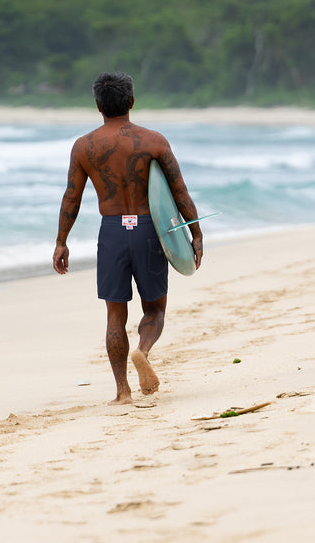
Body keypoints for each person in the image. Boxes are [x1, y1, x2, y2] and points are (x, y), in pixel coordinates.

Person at [53, 72, 203, 404]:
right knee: (155, 309)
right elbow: (179, 192)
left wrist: (62, 241)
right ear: (132, 101)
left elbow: (71, 198)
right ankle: (144, 350)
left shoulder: (84, 147)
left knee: (114, 315)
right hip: (149, 229)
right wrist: (196, 233)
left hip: (112, 232)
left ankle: (122, 392)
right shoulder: (154, 141)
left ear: (97, 106)